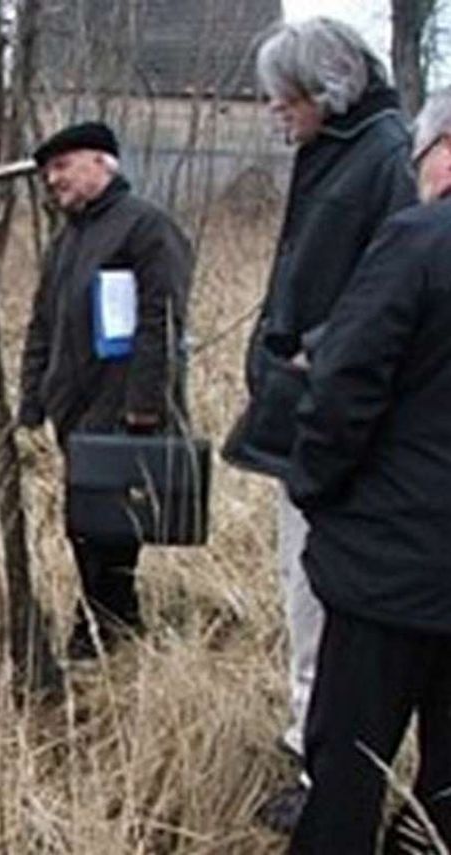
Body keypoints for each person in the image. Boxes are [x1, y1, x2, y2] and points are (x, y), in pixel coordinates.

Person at [218, 18, 417, 827]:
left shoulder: (382, 159)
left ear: (325, 92)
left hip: (338, 426)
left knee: (319, 593)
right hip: (306, 416)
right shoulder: (340, 153)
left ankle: (322, 767)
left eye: (283, 97)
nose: (273, 111)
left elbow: (399, 285)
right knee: (303, 586)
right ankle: (311, 739)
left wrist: (321, 356)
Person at [284, 85, 451, 854]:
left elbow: (342, 384)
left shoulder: (418, 242)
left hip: (390, 567)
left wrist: (317, 490)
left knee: (347, 769)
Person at [17, 121, 193, 662]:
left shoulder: (146, 228)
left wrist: (145, 406)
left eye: (63, 166)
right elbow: (42, 322)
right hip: (74, 412)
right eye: (48, 171)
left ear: (102, 162)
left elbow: (159, 321)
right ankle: (114, 621)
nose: (53, 179)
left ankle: (100, 631)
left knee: (110, 532)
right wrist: (32, 400)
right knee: (84, 528)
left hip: (122, 411)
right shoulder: (68, 237)